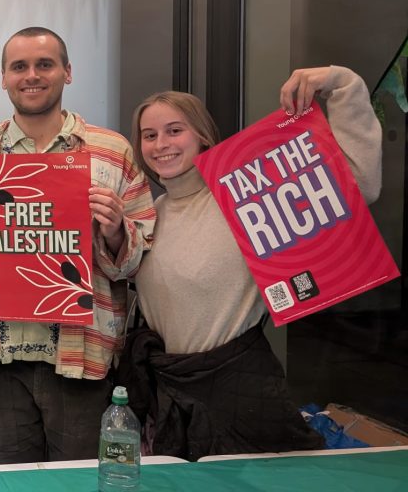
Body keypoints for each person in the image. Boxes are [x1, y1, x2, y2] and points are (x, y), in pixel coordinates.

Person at [125, 65, 378, 460]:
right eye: (149, 135)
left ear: (203, 137)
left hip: (240, 393)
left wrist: (342, 83)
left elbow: (358, 185)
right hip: (171, 398)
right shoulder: (150, 215)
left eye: (175, 130)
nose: (161, 144)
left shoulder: (248, 197)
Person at [0, 26, 155, 463]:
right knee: (9, 482)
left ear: (67, 72)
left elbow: (140, 260)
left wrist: (118, 230)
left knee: (79, 481)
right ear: (3, 77)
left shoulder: (112, 151)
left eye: (45, 64)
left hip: (82, 354)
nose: (32, 75)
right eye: (18, 66)